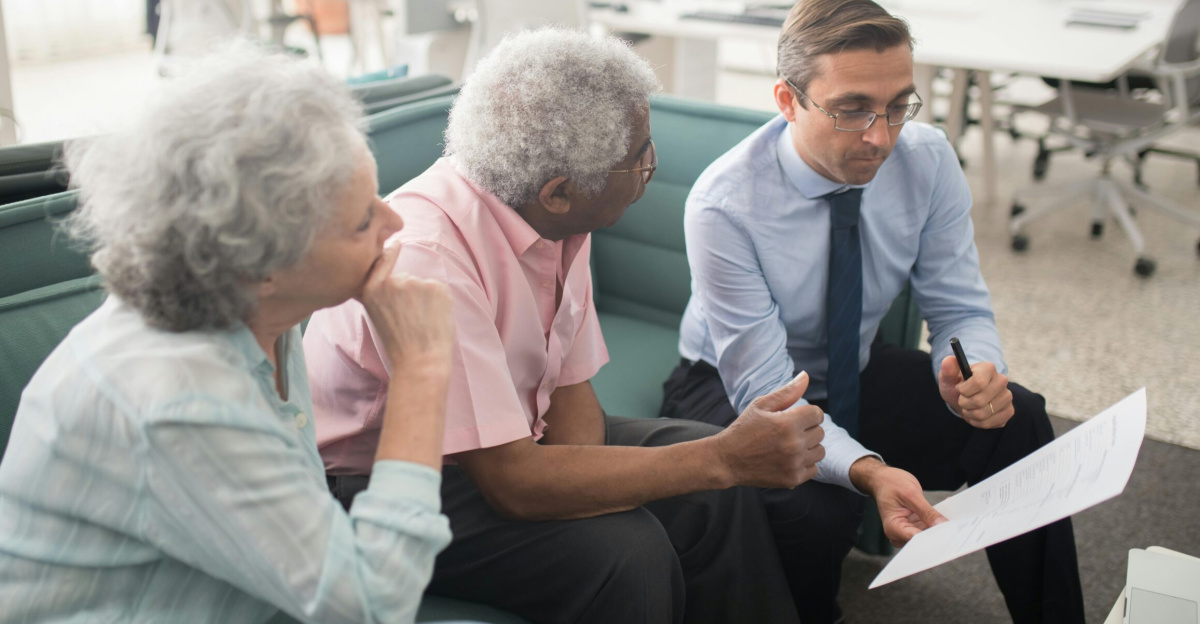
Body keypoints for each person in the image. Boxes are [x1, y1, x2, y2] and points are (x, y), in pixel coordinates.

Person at [306, 28, 945, 624]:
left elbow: (568, 395)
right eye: (639, 160)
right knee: (632, 549)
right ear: (558, 190)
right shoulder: (431, 260)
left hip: (504, 440)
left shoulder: (554, 215)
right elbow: (514, 485)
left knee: (717, 495)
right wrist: (718, 458)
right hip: (377, 480)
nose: (652, 168)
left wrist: (680, 473)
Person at [0, 48, 463, 624]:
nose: (394, 221)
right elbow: (372, 602)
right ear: (258, 266)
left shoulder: (265, 313)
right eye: (363, 220)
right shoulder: (179, 398)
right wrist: (421, 368)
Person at [659, 1, 1087, 623]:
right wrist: (866, 471)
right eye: (852, 109)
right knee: (817, 508)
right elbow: (768, 392)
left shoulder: (928, 159)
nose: (880, 136)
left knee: (1018, 418)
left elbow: (958, 304)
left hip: (849, 367)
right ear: (787, 100)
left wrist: (973, 372)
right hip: (732, 387)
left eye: (897, 106)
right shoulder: (724, 205)